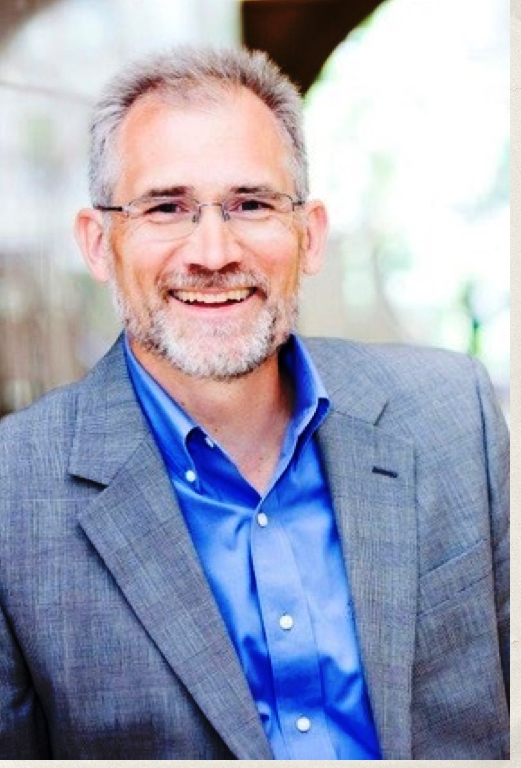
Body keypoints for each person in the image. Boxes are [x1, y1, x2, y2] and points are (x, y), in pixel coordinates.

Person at [0, 46, 509, 761]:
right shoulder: (11, 495)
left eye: (251, 204)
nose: (212, 251)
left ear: (308, 235)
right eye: (167, 207)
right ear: (98, 243)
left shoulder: (454, 418)